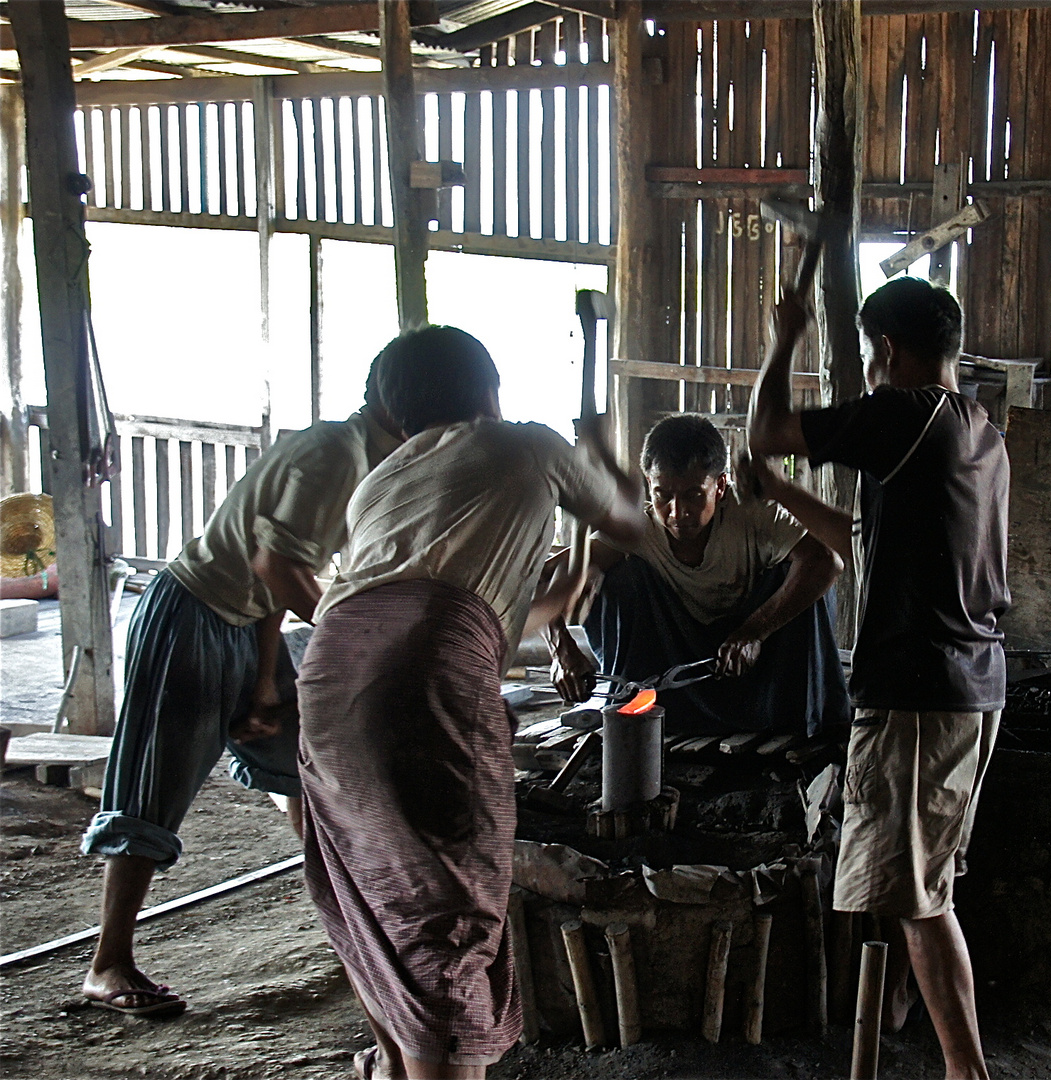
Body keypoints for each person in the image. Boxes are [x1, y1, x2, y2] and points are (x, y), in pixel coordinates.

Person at [297, 325, 646, 1080]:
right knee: (451, 915)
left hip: (328, 679)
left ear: (396, 417)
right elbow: (632, 521)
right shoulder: (528, 444)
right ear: (491, 392)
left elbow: (516, 611)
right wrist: (603, 452)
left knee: (377, 890)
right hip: (421, 674)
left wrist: (575, 569)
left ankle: (397, 1062)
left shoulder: (381, 484)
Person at [79, 364, 403, 1018]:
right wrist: (350, 633)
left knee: (302, 755)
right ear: (401, 414)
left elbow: (275, 578)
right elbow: (275, 566)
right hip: (189, 612)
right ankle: (107, 963)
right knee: (152, 788)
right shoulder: (336, 454)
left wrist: (262, 680)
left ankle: (341, 917)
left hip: (239, 622)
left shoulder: (357, 460)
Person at [748, 274, 1008, 1080]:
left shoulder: (904, 410)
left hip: (919, 691)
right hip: (969, 683)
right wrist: (786, 498)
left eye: (868, 353)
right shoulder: (976, 431)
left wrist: (785, 335)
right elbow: (865, 540)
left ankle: (967, 1072)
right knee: (920, 886)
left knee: (922, 902)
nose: (866, 368)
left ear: (888, 352)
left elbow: (764, 430)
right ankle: (898, 1016)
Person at [546, 413, 847, 736]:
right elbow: (545, 576)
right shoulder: (638, 528)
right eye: (663, 495)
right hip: (674, 650)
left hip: (752, 658)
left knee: (806, 582)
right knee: (619, 580)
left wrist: (754, 632)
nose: (677, 512)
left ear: (720, 486)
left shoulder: (752, 511)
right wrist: (561, 651)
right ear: (649, 485)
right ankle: (636, 716)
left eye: (693, 495)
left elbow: (826, 561)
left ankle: (800, 725)